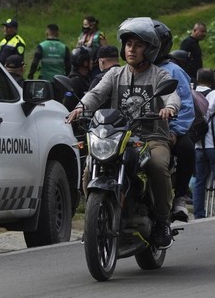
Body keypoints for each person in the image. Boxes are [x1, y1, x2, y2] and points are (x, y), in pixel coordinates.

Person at [67, 17, 180, 249]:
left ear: (149, 49)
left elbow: (172, 95)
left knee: (158, 166)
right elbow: (96, 94)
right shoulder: (115, 74)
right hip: (119, 136)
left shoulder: (159, 75)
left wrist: (170, 107)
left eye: (138, 45)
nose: (132, 49)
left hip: (151, 138)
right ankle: (96, 220)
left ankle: (161, 222)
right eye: (129, 44)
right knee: (90, 168)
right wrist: (80, 108)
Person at [152, 19, 195, 223]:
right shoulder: (128, 71)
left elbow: (185, 105)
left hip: (167, 130)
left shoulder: (174, 71)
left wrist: (175, 131)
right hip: (136, 131)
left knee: (187, 149)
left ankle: (179, 197)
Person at [193, 67, 215, 219]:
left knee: (199, 180)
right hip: (212, 144)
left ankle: (199, 214)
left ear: (197, 79)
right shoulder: (214, 94)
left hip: (197, 145)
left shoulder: (191, 95)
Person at [60, 47, 92, 112]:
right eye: (90, 59)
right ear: (85, 63)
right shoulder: (74, 81)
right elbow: (68, 104)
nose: (92, 62)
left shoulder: (85, 79)